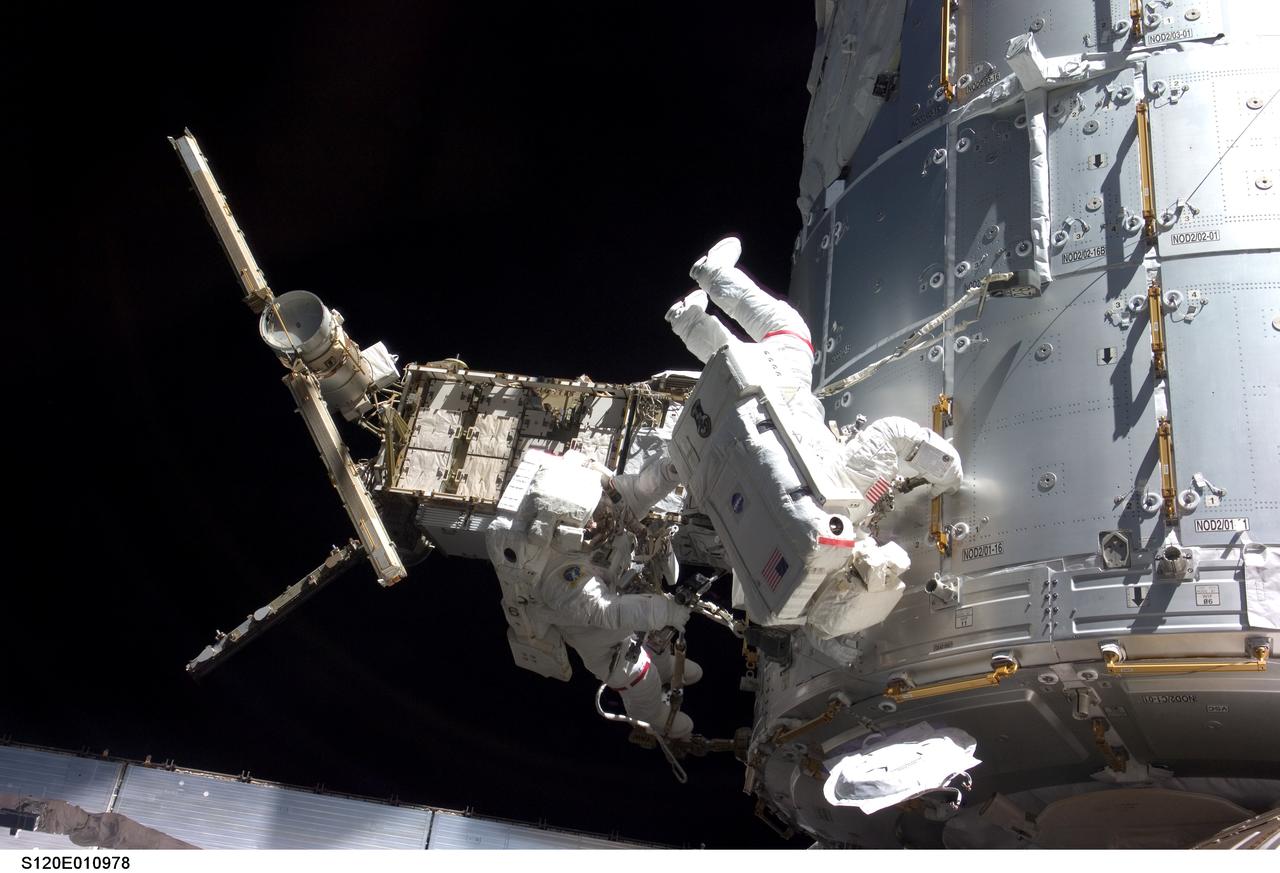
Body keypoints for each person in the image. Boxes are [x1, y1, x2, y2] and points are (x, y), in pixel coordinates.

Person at [487, 452, 702, 739]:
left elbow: (639, 490)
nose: (602, 517)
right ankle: (651, 717)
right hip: (602, 641)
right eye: (593, 517)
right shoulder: (559, 575)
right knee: (639, 677)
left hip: (625, 596)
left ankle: (664, 669)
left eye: (600, 510)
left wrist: (669, 470)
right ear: (567, 527)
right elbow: (604, 610)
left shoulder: (598, 501)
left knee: (654, 642)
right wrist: (665, 612)